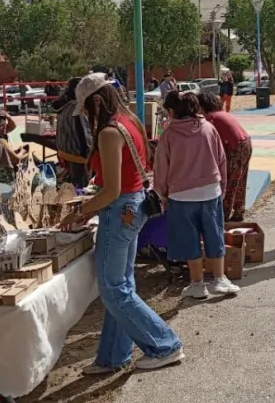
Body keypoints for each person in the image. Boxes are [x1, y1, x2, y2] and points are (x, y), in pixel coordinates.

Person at [59, 75, 185, 373]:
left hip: (120, 210)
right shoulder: (130, 121)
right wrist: (91, 209)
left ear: (97, 101)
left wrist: (80, 212)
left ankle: (165, 344)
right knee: (121, 286)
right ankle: (114, 355)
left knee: (114, 289)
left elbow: (112, 189)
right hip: (133, 206)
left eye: (87, 109)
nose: (87, 116)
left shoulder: (109, 132)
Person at [155, 91, 239, 300]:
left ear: (172, 111)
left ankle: (197, 283)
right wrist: (222, 186)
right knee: (214, 233)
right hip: (211, 190)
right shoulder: (209, 129)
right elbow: (221, 160)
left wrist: (162, 194)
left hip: (181, 195)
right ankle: (219, 279)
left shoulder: (169, 135)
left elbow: (161, 169)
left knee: (189, 239)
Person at [198, 92, 253, 222]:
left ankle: (224, 214)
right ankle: (238, 210)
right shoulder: (221, 114)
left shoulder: (210, 119)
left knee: (229, 181)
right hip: (245, 143)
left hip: (235, 147)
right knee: (240, 179)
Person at [53, 77, 92, 187]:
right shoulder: (77, 109)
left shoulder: (64, 106)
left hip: (67, 154)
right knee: (83, 188)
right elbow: (86, 138)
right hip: (79, 157)